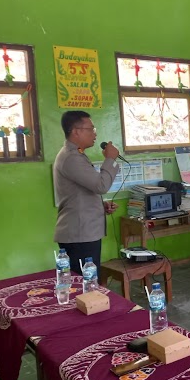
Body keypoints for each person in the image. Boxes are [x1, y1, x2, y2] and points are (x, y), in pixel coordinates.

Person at [54, 111, 120, 272]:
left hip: (82, 230)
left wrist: (100, 205)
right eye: (91, 129)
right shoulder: (71, 157)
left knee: (86, 283)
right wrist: (110, 159)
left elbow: (78, 193)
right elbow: (101, 186)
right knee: (86, 285)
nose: (95, 134)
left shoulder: (77, 155)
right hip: (79, 233)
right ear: (76, 131)